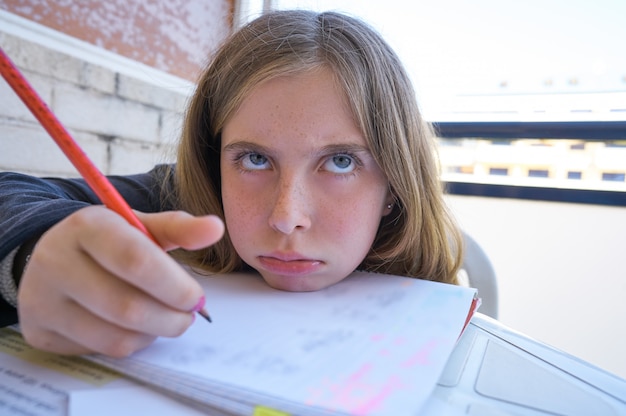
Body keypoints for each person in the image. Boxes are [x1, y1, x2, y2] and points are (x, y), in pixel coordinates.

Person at [0, 9, 463, 357]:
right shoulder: (184, 205)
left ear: (395, 185)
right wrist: (31, 256)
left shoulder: (440, 317)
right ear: (212, 157)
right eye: (255, 159)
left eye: (340, 162)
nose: (286, 218)